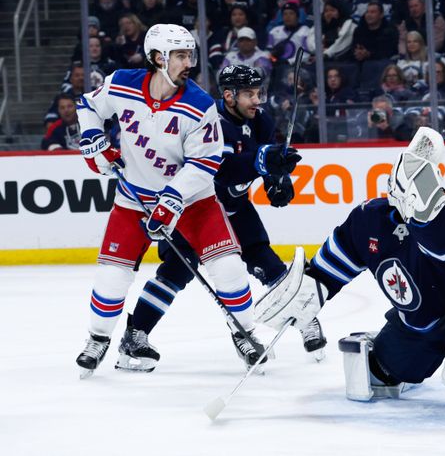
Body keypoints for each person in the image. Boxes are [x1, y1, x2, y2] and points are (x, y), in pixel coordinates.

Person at [255, 127, 445, 425]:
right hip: (420, 326)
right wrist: (307, 293)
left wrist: (427, 210)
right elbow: (327, 270)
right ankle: (394, 358)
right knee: (378, 373)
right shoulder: (367, 222)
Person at [73, 24, 293, 377]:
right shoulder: (121, 83)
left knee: (230, 269)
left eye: (190, 54)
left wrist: (173, 200)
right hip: (133, 199)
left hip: (195, 202)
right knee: (112, 277)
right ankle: (99, 339)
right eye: (180, 55)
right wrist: (93, 138)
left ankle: (245, 333)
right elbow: (87, 106)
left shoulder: (200, 104)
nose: (188, 62)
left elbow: (205, 163)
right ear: (158, 57)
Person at [122, 65, 324, 371]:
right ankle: (135, 334)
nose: (256, 100)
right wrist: (264, 162)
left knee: (266, 262)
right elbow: (225, 168)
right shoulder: (209, 121)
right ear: (229, 96)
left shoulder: (261, 120)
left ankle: (305, 319)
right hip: (196, 210)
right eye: (248, 94)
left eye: (258, 93)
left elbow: (264, 159)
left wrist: (278, 182)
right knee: (177, 270)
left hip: (235, 207)